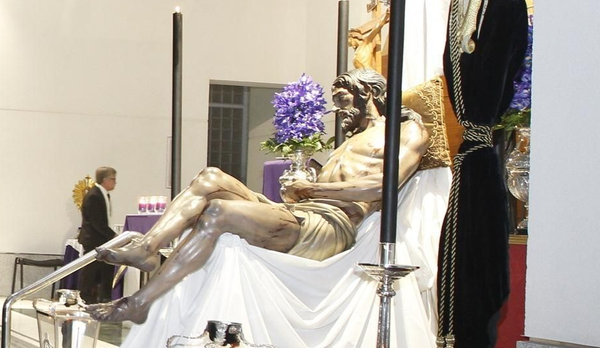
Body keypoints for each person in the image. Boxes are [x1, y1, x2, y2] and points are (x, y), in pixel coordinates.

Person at [93, 69, 429, 325]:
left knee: (219, 211)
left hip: (329, 226)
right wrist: (302, 188)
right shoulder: (352, 140)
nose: (338, 109)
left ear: (367, 92)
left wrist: (311, 188)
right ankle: (147, 249)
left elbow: (383, 185)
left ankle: (139, 303)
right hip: (303, 210)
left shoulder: (407, 130)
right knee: (210, 177)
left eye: (342, 99)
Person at [78, 166, 118, 304]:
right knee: (90, 271)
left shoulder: (102, 194)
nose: (115, 182)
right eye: (113, 179)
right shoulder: (94, 196)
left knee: (104, 270)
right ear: (105, 180)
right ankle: (86, 297)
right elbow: (97, 222)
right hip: (93, 240)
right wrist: (113, 235)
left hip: (101, 240)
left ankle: (102, 297)